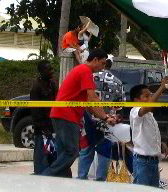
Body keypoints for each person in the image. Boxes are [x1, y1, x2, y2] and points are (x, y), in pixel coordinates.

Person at [42, 48, 117, 178]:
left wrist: (102, 116)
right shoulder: (85, 71)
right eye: (103, 63)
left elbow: (88, 102)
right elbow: (92, 98)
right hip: (66, 115)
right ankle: (45, 177)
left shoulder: (81, 70)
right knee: (72, 151)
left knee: (63, 153)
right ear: (95, 60)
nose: (104, 66)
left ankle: (61, 182)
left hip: (60, 114)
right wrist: (105, 117)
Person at [78, 55, 125, 181]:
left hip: (88, 119)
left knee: (86, 149)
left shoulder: (90, 77)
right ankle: (100, 181)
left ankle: (81, 178)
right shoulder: (117, 82)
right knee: (104, 152)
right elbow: (119, 106)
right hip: (107, 122)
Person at [129, 76, 168, 187]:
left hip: (153, 162)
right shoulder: (135, 111)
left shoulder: (149, 115)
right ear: (136, 100)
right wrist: (161, 88)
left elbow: (152, 133)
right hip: (142, 162)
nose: (150, 98)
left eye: (150, 96)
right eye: (146, 96)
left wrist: (161, 144)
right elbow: (148, 107)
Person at [30, 60, 58, 175]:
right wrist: (42, 128)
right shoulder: (36, 88)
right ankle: (39, 175)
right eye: (49, 69)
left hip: (53, 125)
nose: (52, 71)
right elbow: (35, 111)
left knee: (53, 154)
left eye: (52, 68)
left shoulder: (52, 85)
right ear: (42, 71)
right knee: (41, 155)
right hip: (42, 128)